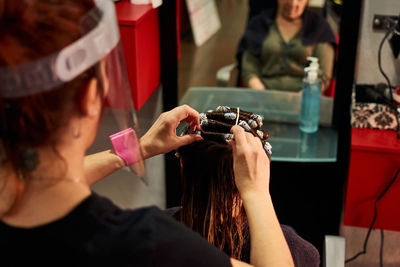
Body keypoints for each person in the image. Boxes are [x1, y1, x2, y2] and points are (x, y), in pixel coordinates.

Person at [0, 1, 294, 266]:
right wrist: (256, 194)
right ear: (90, 98)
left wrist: (136, 149)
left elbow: (32, 184)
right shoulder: (146, 245)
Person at [166, 109, 320, 266]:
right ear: (260, 170)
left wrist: (143, 149)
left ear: (182, 164)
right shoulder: (297, 253)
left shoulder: (154, 234)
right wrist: (258, 193)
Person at [238, 0, 337, 94]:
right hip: (262, 98)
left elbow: (323, 76)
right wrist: (263, 97)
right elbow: (249, 69)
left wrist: (303, 99)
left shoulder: (320, 28)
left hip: (304, 100)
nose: (293, 4)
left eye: (299, 0)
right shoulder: (258, 24)